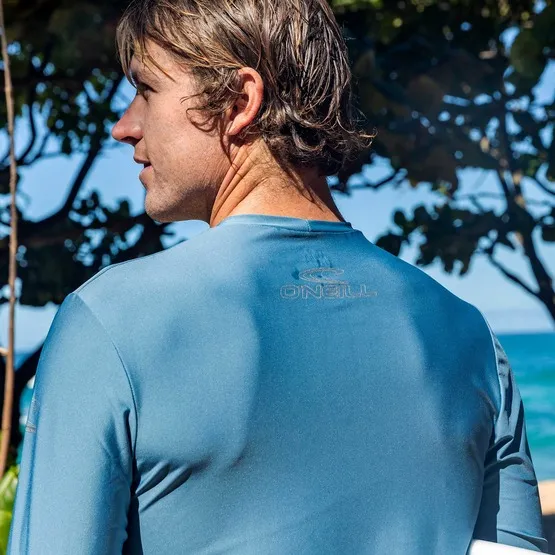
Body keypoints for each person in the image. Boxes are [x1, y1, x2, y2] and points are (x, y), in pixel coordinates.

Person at [7, 0, 548, 553]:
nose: (124, 127)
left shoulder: (110, 323)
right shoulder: (468, 336)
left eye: (146, 90)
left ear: (239, 101)